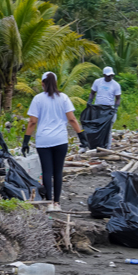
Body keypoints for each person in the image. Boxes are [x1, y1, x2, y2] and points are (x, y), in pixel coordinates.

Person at [23, 72, 88, 210]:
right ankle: (57, 203)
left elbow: (32, 122)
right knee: (58, 172)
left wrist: (25, 141)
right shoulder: (63, 98)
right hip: (60, 140)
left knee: (47, 171)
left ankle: (48, 203)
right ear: (56, 83)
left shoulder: (38, 99)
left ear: (42, 83)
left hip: (43, 140)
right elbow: (72, 119)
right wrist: (81, 135)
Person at [87, 66, 122, 147]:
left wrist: (115, 108)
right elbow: (92, 93)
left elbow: (118, 98)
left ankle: (107, 147)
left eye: (111, 75)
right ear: (104, 75)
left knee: (108, 129)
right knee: (96, 128)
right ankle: (96, 145)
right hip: (98, 108)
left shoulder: (116, 85)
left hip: (109, 109)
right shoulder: (97, 82)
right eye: (108, 75)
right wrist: (89, 101)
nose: (110, 77)